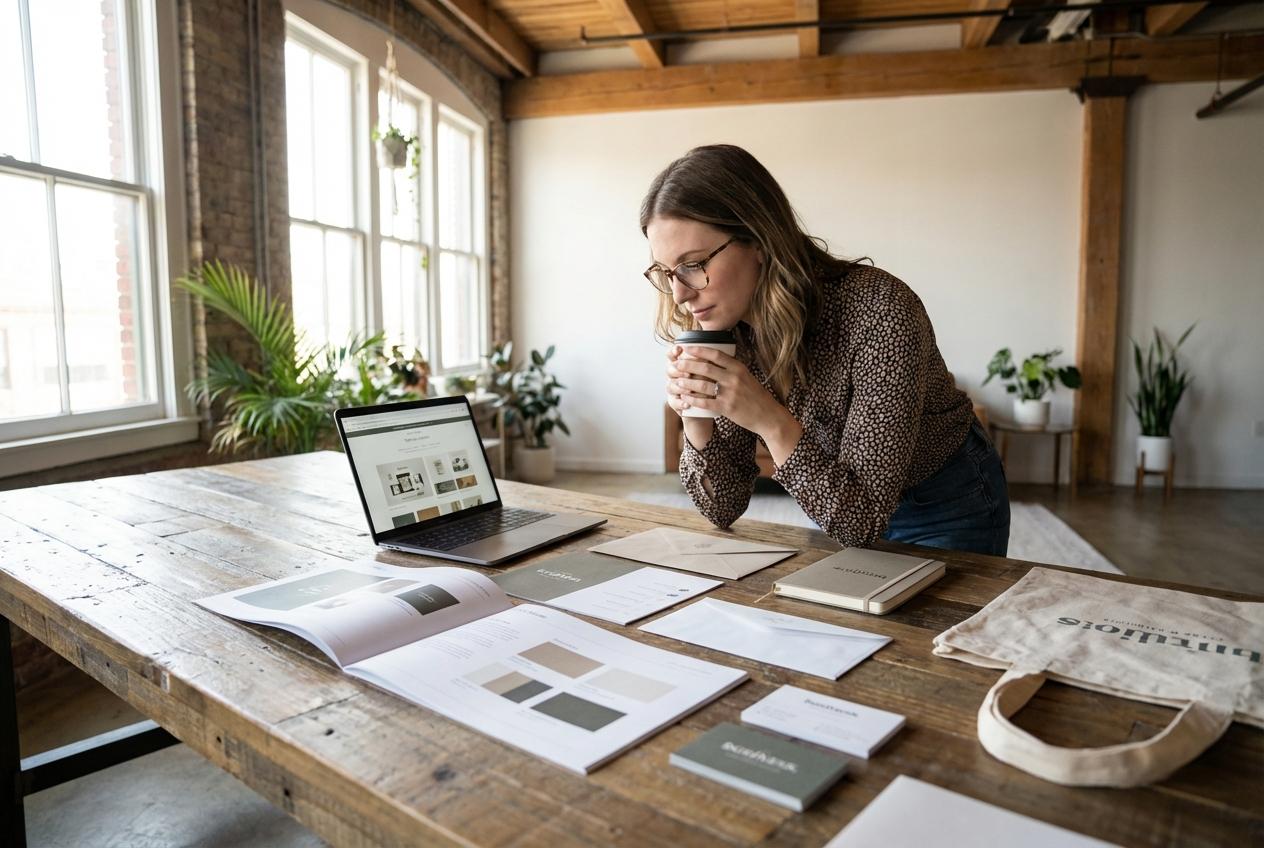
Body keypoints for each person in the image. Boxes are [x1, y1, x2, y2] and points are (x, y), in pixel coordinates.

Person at [644, 144, 1009, 556]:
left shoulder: (879, 310)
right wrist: (696, 422)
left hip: (947, 501)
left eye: (694, 264)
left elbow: (863, 520)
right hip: (842, 502)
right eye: (666, 273)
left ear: (759, 239)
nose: (678, 295)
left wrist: (769, 419)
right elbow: (723, 507)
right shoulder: (727, 328)